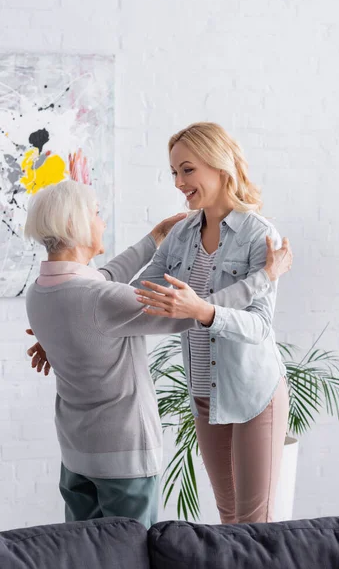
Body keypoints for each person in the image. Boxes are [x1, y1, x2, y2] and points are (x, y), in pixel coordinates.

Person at [25, 177, 292, 527]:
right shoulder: (100, 299)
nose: (102, 222)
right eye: (97, 213)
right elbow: (193, 311)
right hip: (122, 459)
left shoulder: (39, 293)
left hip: (75, 456)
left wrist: (153, 240)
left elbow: (102, 280)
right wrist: (266, 276)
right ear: (75, 225)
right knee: (133, 553)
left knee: (84, 552)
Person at [125, 122, 293, 524]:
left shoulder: (259, 235)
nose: (179, 183)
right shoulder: (182, 234)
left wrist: (202, 311)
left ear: (219, 166)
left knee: (255, 522)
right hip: (205, 395)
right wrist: (70, 315)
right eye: (174, 173)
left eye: (187, 169)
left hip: (254, 395)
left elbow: (259, 327)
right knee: (228, 516)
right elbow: (137, 293)